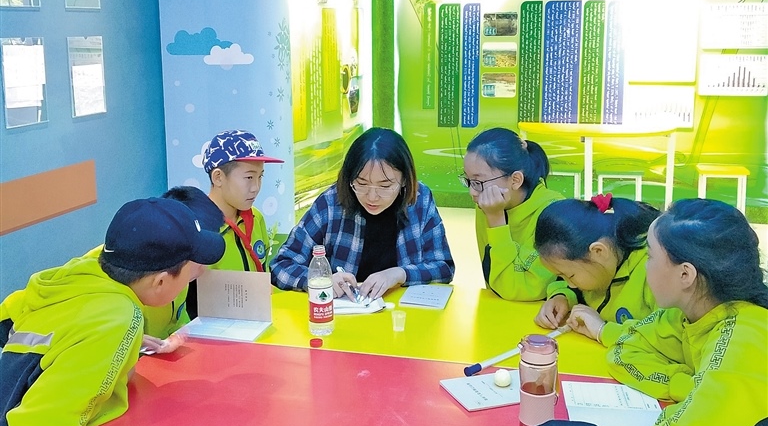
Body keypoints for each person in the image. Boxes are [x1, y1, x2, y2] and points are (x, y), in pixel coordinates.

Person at [0, 197, 225, 426]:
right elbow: (41, 424)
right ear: (160, 282)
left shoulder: (79, 272)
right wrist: (115, 339)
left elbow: (10, 322)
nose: (200, 272)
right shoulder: (119, 318)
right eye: (191, 268)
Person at [604, 199, 768, 426]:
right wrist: (687, 386)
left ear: (685, 275)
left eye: (650, 256)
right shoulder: (686, 314)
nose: (645, 267)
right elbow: (623, 351)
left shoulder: (744, 338)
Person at [271, 127, 454, 299]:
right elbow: (281, 265)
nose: (372, 197)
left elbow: (444, 267)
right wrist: (319, 281)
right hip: (343, 315)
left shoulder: (419, 200)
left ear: (405, 180)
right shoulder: (331, 202)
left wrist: (400, 274)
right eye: (362, 183)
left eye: (385, 186)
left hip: (402, 314)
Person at [534, 193, 659, 340]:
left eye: (570, 276)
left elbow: (666, 339)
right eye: (562, 277)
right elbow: (572, 284)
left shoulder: (656, 272)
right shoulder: (603, 260)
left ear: (598, 251)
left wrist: (602, 330)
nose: (571, 284)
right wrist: (563, 296)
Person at [461, 127, 563, 301]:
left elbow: (520, 289)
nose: (472, 192)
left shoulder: (553, 214)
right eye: (468, 181)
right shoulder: (487, 205)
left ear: (515, 180)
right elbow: (494, 281)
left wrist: (496, 220)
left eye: (478, 182)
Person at [141, 186, 224, 346]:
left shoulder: (181, 277)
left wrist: (180, 336)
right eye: (199, 256)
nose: (204, 267)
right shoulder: (127, 286)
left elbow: (180, 324)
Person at [203, 129, 284, 273]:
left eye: (260, 177)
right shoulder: (198, 230)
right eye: (249, 177)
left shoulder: (256, 218)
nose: (256, 188)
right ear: (218, 178)